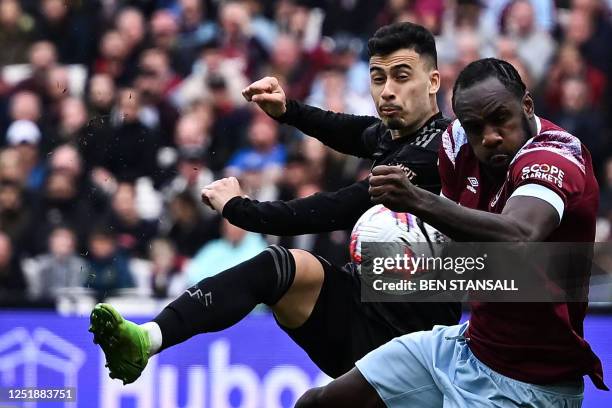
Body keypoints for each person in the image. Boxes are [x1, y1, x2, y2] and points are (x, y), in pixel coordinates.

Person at [88, 22, 460, 385]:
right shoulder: (395, 134)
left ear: (432, 82)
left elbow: (333, 209)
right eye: (378, 79)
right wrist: (289, 110)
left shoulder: (440, 151)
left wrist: (238, 209)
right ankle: (147, 338)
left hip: (415, 336)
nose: (387, 91)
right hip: (361, 311)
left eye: (401, 76)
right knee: (278, 268)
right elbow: (349, 129)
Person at [294, 58, 608, 408]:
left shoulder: (557, 155)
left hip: (533, 384)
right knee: (319, 403)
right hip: (466, 346)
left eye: (501, 119)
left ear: (527, 105)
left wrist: (416, 200)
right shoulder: (456, 143)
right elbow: (464, 251)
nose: (490, 136)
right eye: (476, 127)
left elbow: (520, 235)